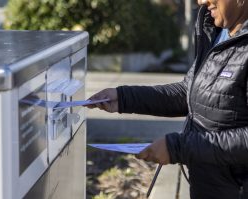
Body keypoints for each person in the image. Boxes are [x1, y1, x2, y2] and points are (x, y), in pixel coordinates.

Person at [86, 0, 248, 198]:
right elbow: (188, 92)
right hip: (209, 186)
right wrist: (123, 97)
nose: (201, 1)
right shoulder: (218, 32)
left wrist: (177, 148)